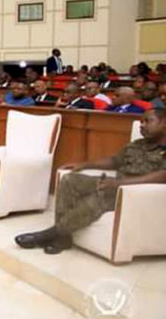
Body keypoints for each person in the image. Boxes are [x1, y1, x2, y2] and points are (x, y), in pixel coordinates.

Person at [15, 108, 166, 254]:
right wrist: (85, 164)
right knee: (69, 179)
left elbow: (162, 176)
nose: (142, 125)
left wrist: (118, 184)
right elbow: (114, 161)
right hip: (116, 184)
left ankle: (50, 235)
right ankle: (63, 238)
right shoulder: (138, 144)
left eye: (148, 121)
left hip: (137, 194)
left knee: (98, 196)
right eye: (141, 122)